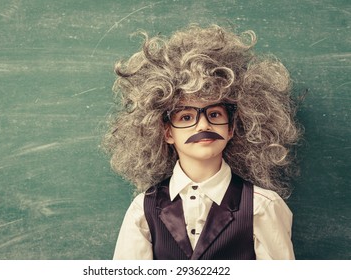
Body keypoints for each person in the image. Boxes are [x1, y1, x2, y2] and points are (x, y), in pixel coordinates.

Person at [102, 24, 302, 260]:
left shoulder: (262, 207)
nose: (203, 125)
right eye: (186, 117)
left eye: (215, 114)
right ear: (166, 133)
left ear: (231, 128)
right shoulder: (143, 210)